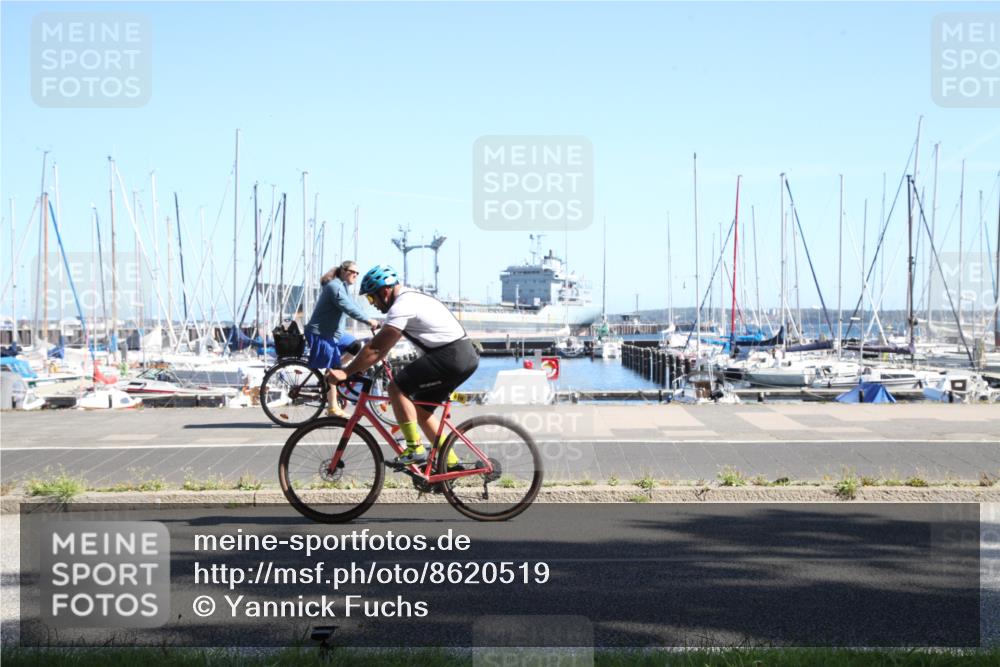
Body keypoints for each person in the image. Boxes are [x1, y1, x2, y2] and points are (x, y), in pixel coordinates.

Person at [327, 264, 479, 467]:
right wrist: (363, 364)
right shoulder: (410, 298)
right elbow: (383, 348)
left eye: (372, 298)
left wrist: (346, 372)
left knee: (396, 388)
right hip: (461, 356)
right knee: (422, 413)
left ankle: (414, 448)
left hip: (451, 356)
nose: (372, 304)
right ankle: (449, 464)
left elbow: (376, 349)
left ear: (385, 291)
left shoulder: (402, 305)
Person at [304, 260, 379, 417]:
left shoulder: (343, 287)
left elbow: (355, 306)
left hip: (334, 333)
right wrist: (368, 321)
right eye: (353, 272)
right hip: (321, 333)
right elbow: (348, 308)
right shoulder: (335, 287)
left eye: (358, 273)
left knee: (355, 345)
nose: (356, 275)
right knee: (333, 369)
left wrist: (370, 318)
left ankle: (335, 373)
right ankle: (332, 408)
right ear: (344, 271)